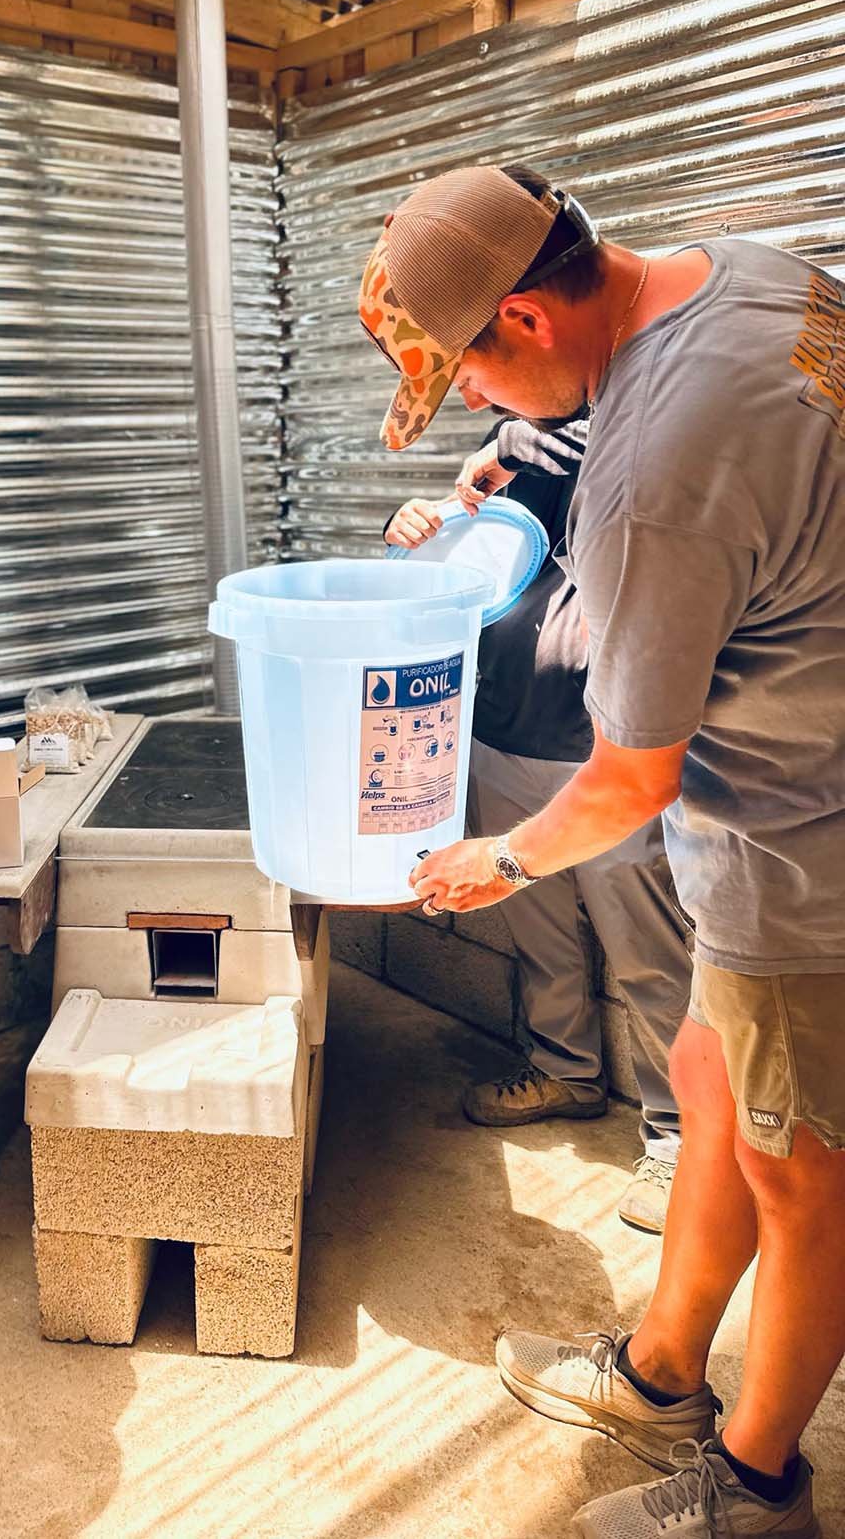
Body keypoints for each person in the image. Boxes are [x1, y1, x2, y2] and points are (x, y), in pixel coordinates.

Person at [359, 163, 844, 1537]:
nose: (472, 404)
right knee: (706, 1075)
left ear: (524, 314)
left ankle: (757, 1487)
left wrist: (497, 861)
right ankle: (659, 1371)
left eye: (468, 371)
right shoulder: (743, 270)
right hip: (800, 774)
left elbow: (631, 775)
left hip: (809, 844)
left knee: (805, 1176)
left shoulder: (649, 485)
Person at [385, 414, 692, 1234]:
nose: (484, 391)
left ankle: (679, 1137)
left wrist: (505, 447)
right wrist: (413, 530)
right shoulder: (507, 443)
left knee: (648, 951)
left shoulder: (616, 424)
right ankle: (566, 1070)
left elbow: (604, 443)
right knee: (537, 928)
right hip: (500, 732)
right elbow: (463, 557)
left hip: (604, 758)